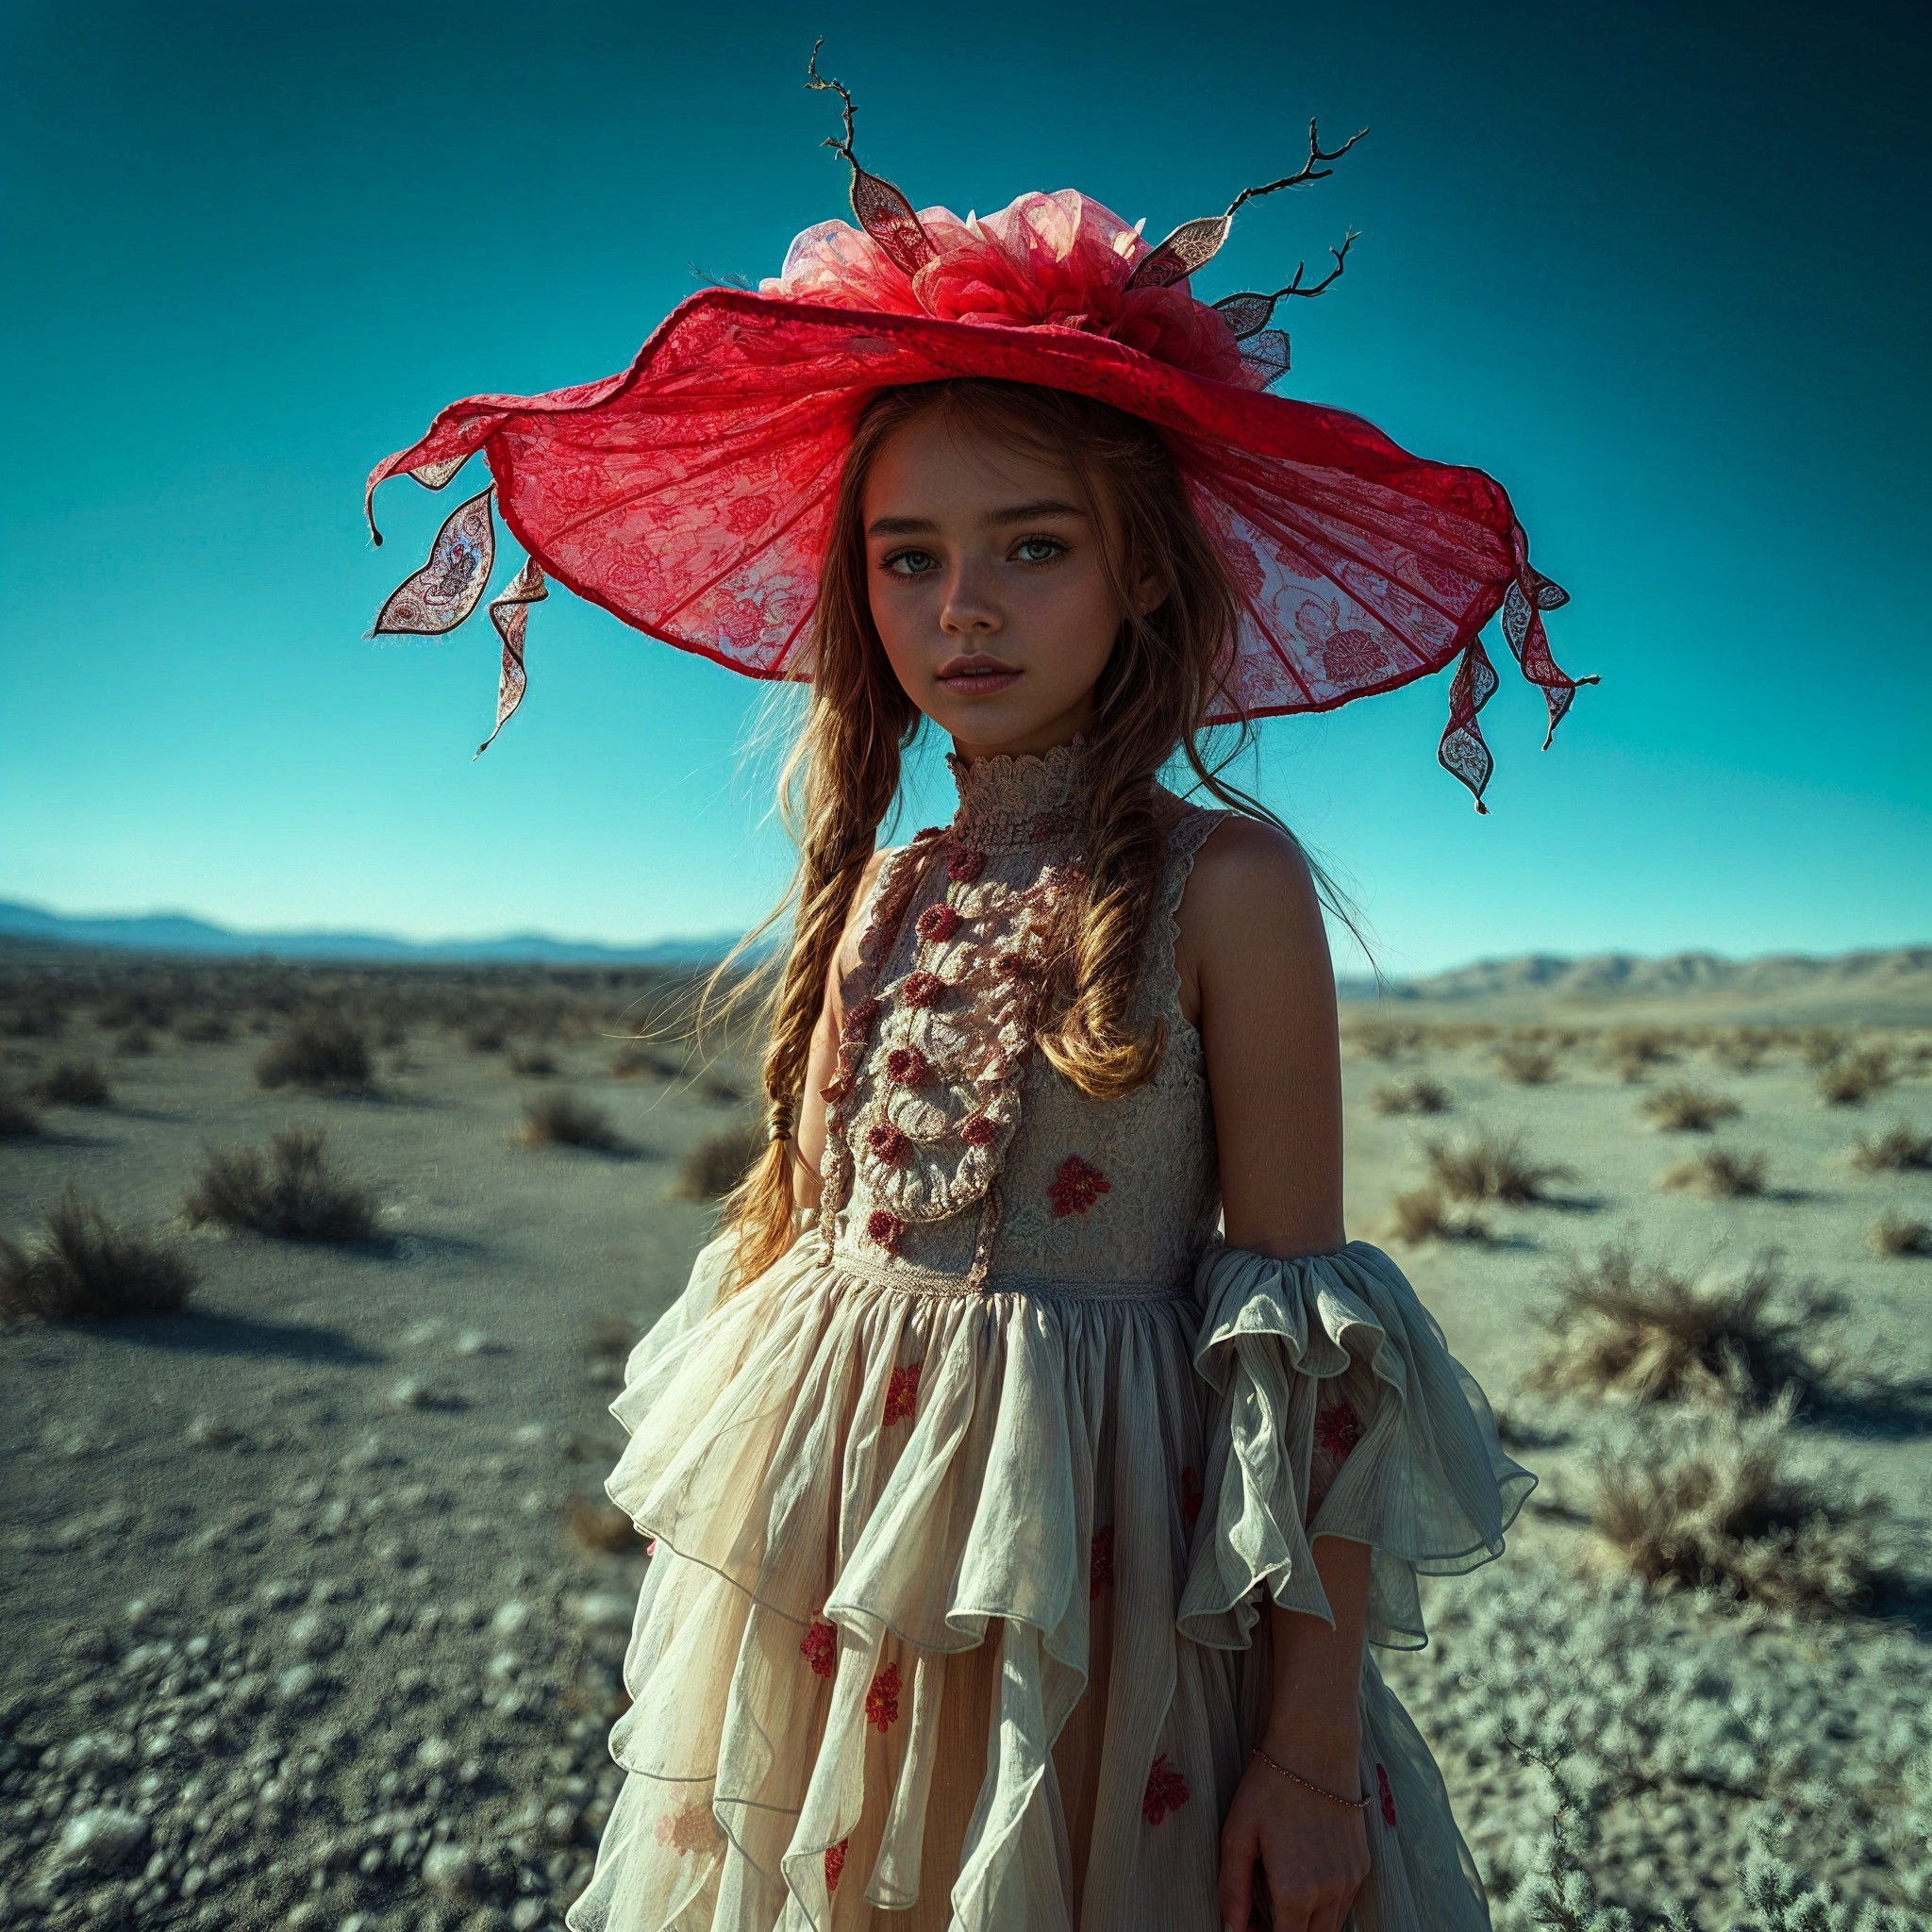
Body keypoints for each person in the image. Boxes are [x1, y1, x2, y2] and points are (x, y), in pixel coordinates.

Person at [365, 58, 1577, 1932]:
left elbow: (1306, 1349)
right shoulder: (883, 880)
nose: (965, 609)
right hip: (845, 1597)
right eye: (908, 556)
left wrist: (1310, 1753)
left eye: (1033, 545)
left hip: (1107, 1612)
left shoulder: (1225, 888)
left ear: (1141, 582)